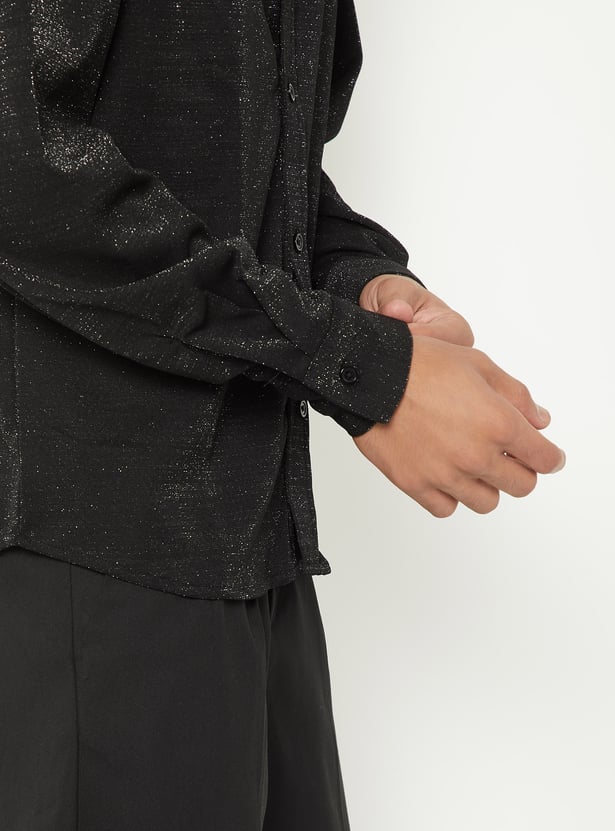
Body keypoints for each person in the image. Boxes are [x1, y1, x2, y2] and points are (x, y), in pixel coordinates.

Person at [0, 1, 565, 828]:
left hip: (253, 538)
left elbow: (262, 170)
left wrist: (360, 283)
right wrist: (353, 366)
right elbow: (22, 165)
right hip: (89, 549)